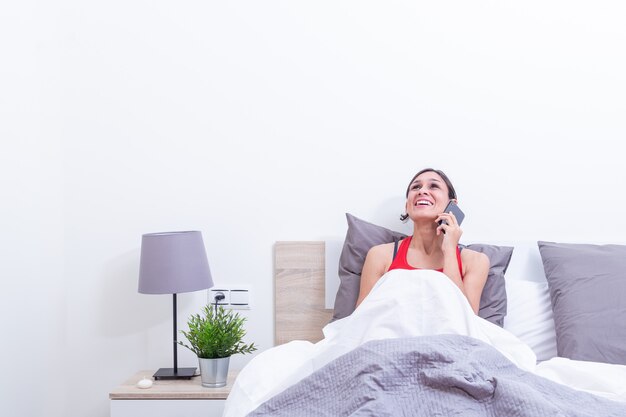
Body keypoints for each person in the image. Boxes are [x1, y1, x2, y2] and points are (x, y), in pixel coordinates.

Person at [355, 168, 490, 314]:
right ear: (407, 206)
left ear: (452, 206)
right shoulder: (379, 255)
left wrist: (450, 250)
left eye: (434, 186)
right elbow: (361, 319)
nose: (422, 191)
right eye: (416, 187)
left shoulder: (476, 261)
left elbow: (466, 322)